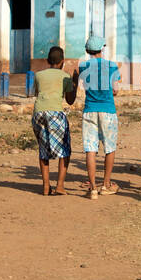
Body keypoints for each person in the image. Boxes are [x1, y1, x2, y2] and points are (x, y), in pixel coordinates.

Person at [76, 35, 120, 199]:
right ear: (102, 49)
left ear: (87, 50)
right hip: (108, 110)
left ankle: (93, 188)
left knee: (90, 149)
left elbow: (82, 85)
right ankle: (106, 184)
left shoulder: (83, 66)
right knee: (109, 148)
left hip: (90, 110)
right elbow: (115, 90)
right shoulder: (112, 66)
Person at [32, 45, 77, 195]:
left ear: (47, 60)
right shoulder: (65, 77)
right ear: (63, 61)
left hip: (38, 113)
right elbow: (70, 100)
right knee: (64, 151)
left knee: (43, 149)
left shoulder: (38, 75)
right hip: (55, 114)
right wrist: (74, 84)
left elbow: (37, 92)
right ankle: (60, 186)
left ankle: (46, 186)